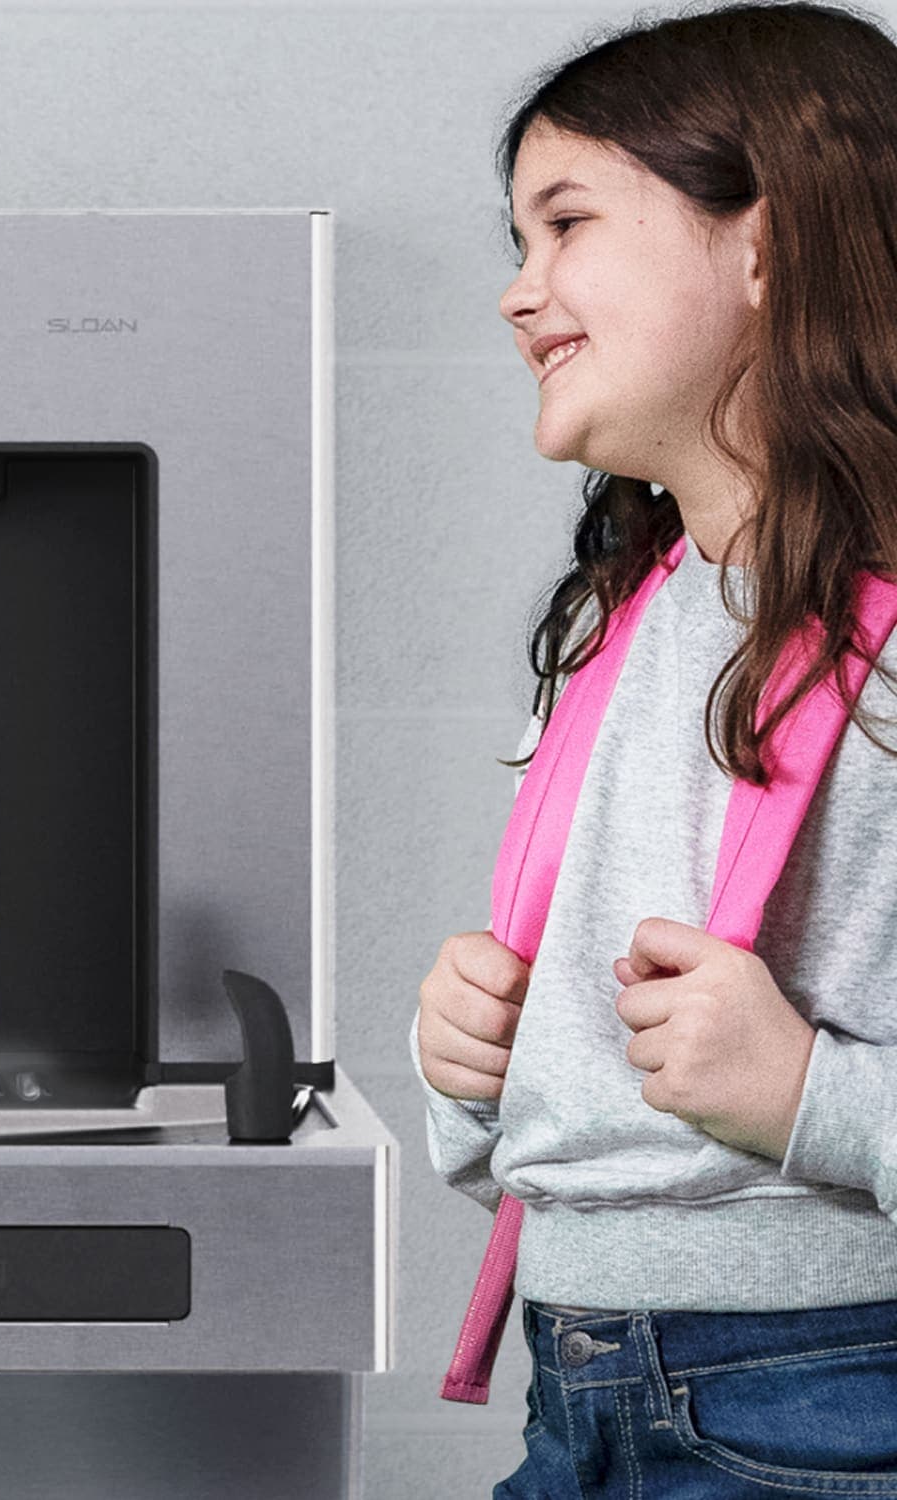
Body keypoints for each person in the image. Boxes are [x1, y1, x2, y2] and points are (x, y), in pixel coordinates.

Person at [411, 3, 897, 1494]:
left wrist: (811, 1094)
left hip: (825, 1394)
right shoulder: (632, 623)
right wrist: (473, 1077)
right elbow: (601, 1108)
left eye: (567, 224)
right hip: (587, 1381)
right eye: (516, 240)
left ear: (768, 245)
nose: (518, 292)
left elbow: (760, 1089)